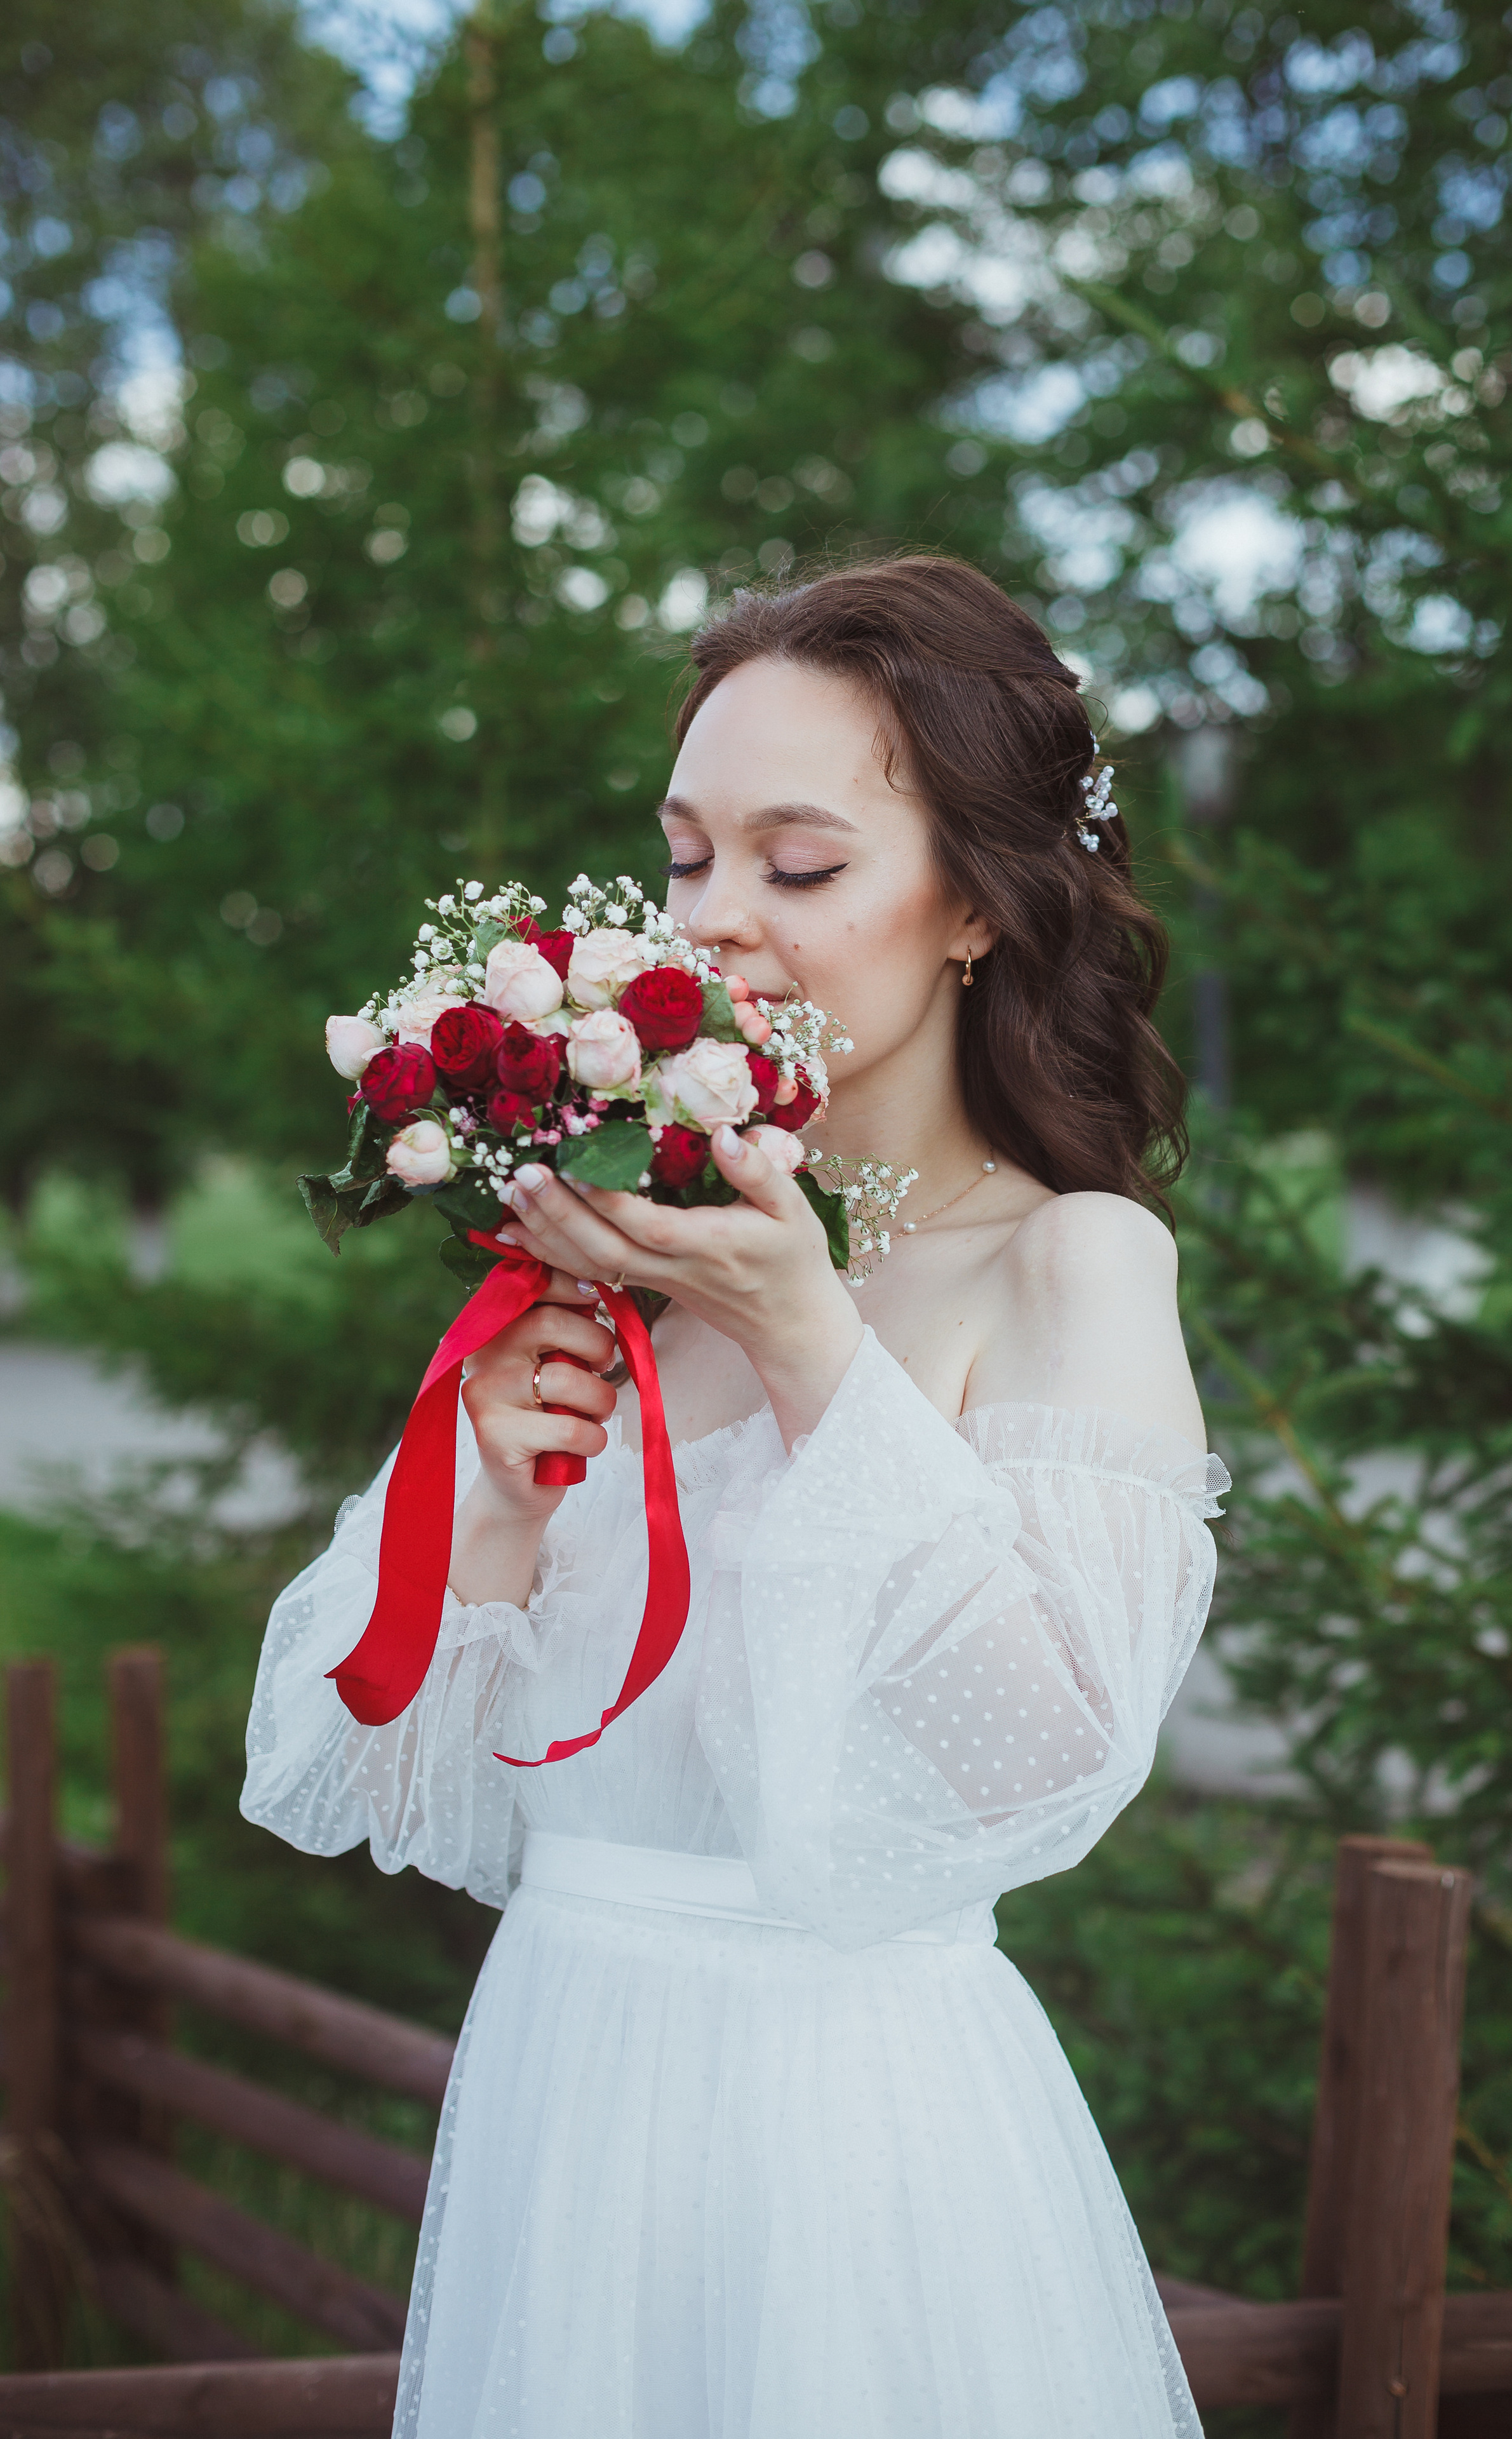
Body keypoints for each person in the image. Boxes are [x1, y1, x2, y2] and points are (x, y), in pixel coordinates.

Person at [243, 556, 1227, 2438]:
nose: (714, 924)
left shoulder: (1072, 1266)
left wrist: (810, 1348)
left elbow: (1045, 1769)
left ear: (974, 906)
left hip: (850, 2144)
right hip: (568, 2090)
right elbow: (343, 1764)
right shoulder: (607, 1269)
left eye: (800, 864)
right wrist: (497, 1501)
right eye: (688, 858)